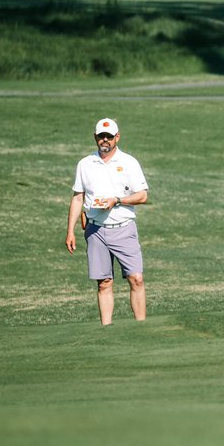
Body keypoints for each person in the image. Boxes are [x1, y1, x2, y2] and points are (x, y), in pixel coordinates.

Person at [65, 118, 150, 325]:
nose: (105, 140)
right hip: (95, 230)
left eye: (109, 137)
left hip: (124, 228)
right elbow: (78, 197)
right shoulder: (85, 164)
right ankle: (107, 330)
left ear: (117, 137)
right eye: (101, 136)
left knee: (136, 279)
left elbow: (142, 196)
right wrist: (70, 231)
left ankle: (142, 328)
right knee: (104, 283)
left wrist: (117, 200)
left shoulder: (129, 162)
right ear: (95, 137)